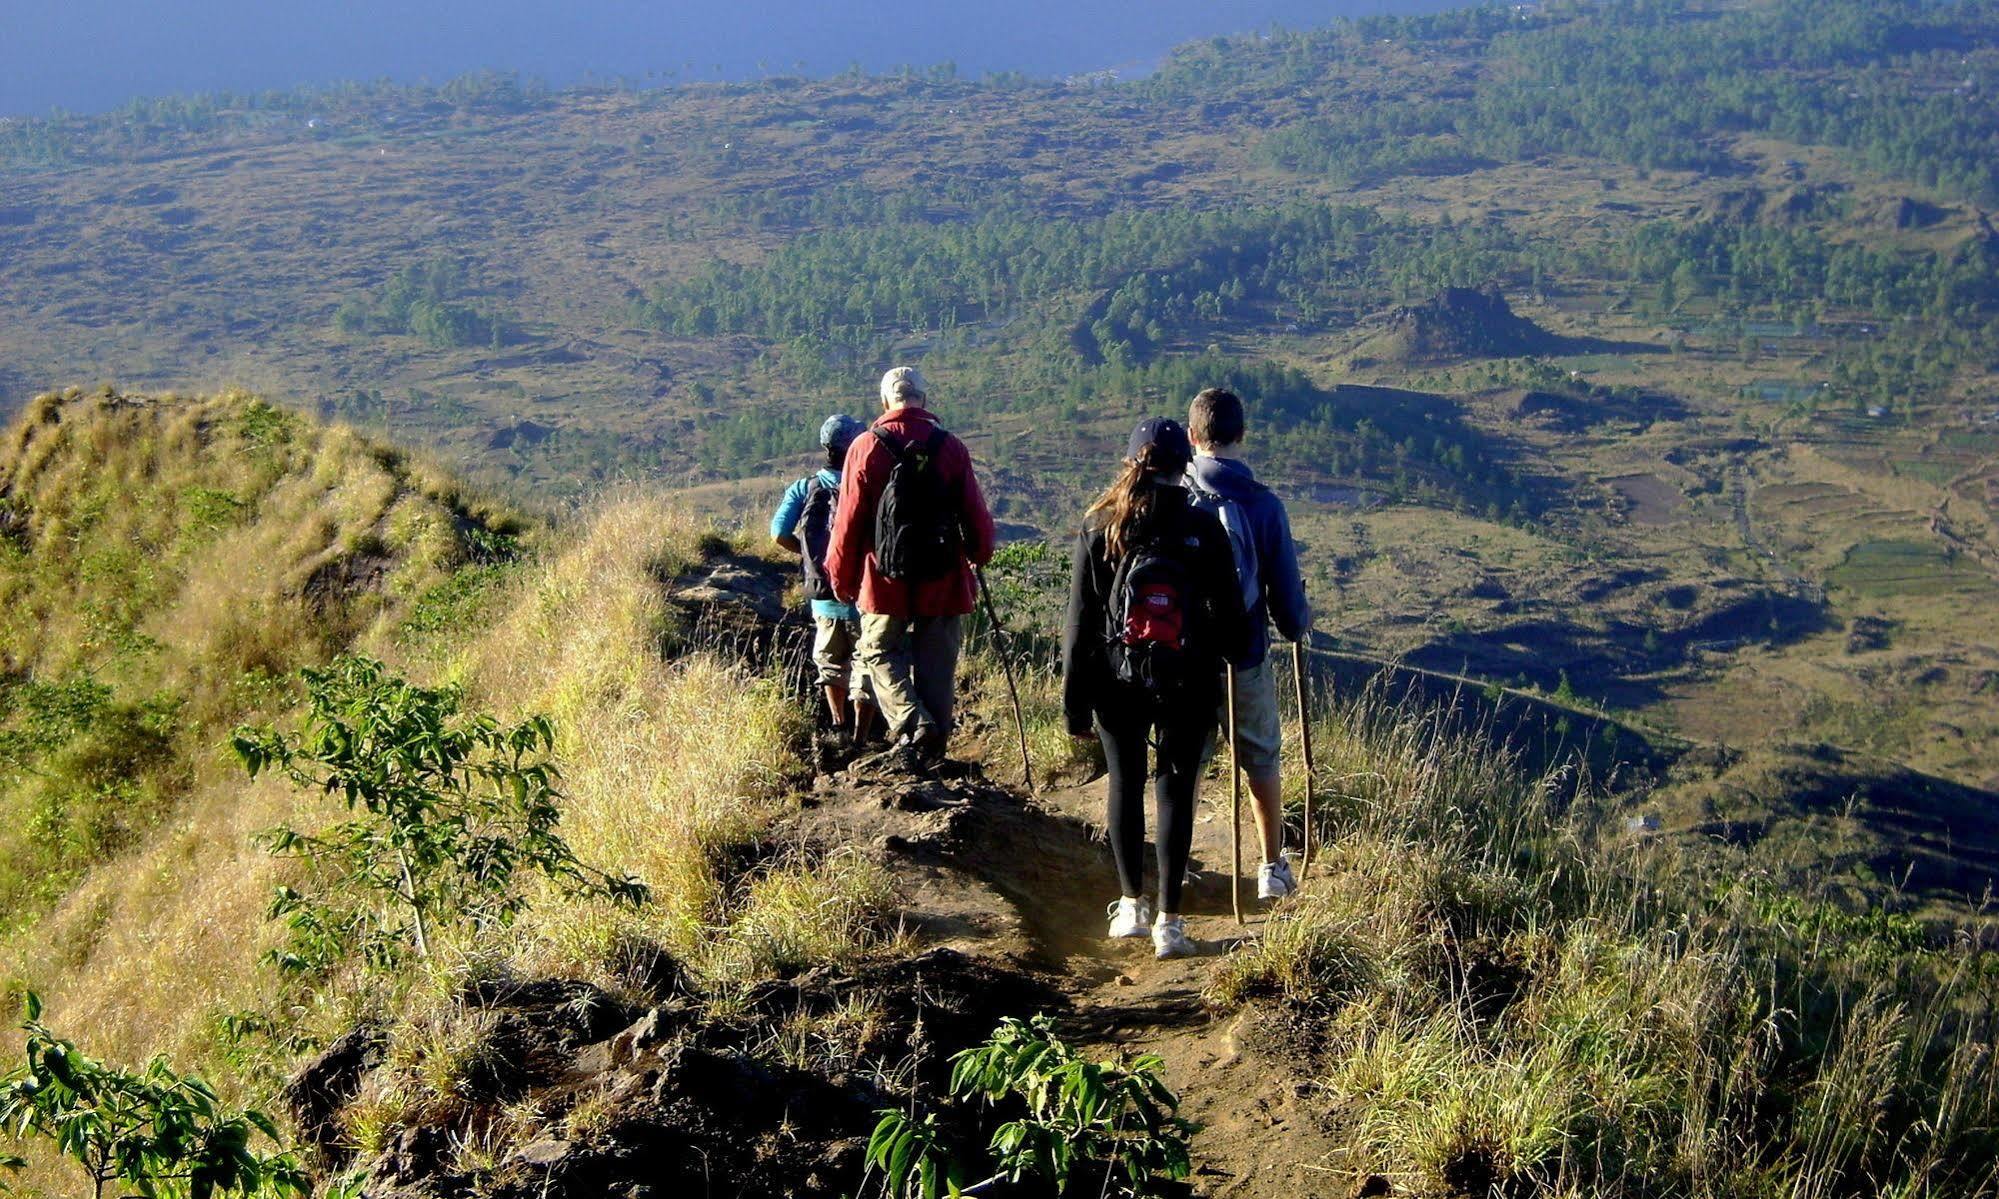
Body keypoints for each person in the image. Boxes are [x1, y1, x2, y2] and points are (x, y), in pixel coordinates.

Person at [1062, 418, 1248, 959]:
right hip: (1187, 678)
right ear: (1181, 464)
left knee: (1125, 784)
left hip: (1116, 680)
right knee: (1175, 791)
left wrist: (1074, 705)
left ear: (1131, 462)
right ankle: (1171, 921)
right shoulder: (1203, 528)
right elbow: (1231, 620)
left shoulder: (1101, 529)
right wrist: (1232, 655)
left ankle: (1131, 907)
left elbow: (1078, 626)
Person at [827, 366, 996, 762]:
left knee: (877, 650)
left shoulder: (866, 447)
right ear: (924, 399)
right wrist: (979, 554)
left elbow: (848, 521)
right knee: (937, 665)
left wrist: (840, 575)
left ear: (885, 401)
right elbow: (976, 517)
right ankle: (933, 752)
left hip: (883, 579)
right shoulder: (951, 447)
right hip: (943, 577)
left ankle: (911, 721)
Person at [1186, 387, 1313, 901]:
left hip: (1183, 654)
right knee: (1260, 756)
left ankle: (1179, 862)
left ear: (1193, 436)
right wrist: (1296, 623)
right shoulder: (1263, 504)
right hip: (1245, 653)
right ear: (1242, 435)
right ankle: (1270, 867)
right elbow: (1286, 603)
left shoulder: (1176, 496)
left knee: (1187, 758)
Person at [771, 413, 878, 749]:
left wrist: (811, 558)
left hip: (824, 593)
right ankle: (862, 735)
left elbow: (779, 534)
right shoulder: (869, 485)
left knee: (831, 662)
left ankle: (838, 725)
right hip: (865, 593)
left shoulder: (804, 488)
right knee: (868, 662)